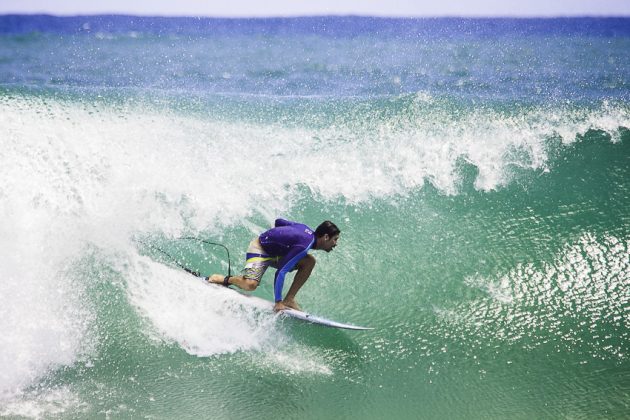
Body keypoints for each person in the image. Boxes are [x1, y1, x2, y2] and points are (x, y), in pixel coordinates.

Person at [208, 219, 340, 312]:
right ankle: (226, 279)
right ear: (326, 237)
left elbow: (279, 221)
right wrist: (278, 302)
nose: (336, 244)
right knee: (250, 285)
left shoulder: (306, 232)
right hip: (260, 249)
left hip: (277, 254)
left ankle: (290, 299)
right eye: (335, 239)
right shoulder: (304, 245)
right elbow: (281, 272)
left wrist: (278, 239)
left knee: (309, 262)